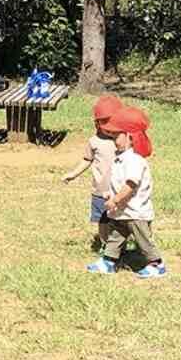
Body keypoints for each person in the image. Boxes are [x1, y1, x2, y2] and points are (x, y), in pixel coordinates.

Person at [86, 106, 165, 279]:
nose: (113, 139)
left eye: (116, 136)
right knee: (115, 237)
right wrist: (110, 194)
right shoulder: (122, 157)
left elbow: (130, 184)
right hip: (122, 212)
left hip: (135, 212)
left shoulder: (134, 160)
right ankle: (109, 261)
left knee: (143, 240)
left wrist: (115, 200)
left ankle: (156, 264)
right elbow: (119, 182)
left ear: (129, 137)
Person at [62, 95, 124, 267]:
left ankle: (120, 246)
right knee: (103, 221)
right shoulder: (94, 141)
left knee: (120, 220)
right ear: (96, 123)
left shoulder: (123, 140)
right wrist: (73, 174)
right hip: (100, 191)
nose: (109, 127)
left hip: (119, 190)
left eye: (112, 121)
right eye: (104, 122)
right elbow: (86, 160)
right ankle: (106, 245)